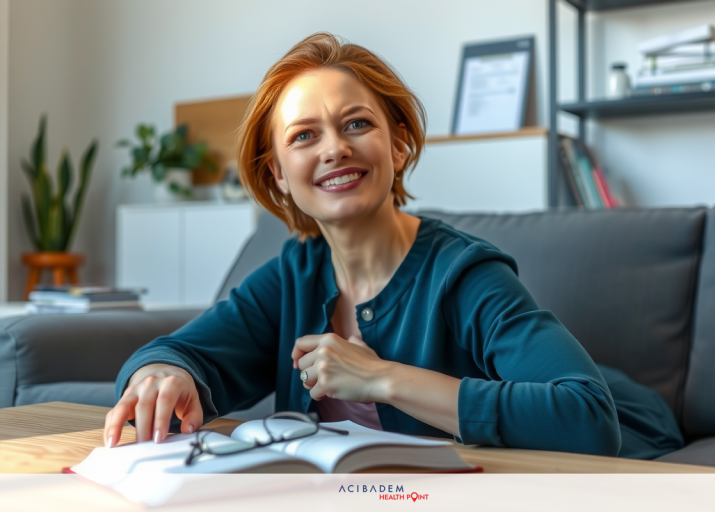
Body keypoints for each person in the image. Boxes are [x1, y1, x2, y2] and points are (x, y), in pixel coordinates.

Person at [105, 33, 680, 459]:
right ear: (278, 173)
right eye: (304, 136)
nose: (333, 149)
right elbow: (185, 351)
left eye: (356, 124)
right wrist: (161, 372)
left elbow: (587, 417)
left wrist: (381, 377)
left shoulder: (464, 272)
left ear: (398, 145)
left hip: (635, 432)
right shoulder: (294, 273)